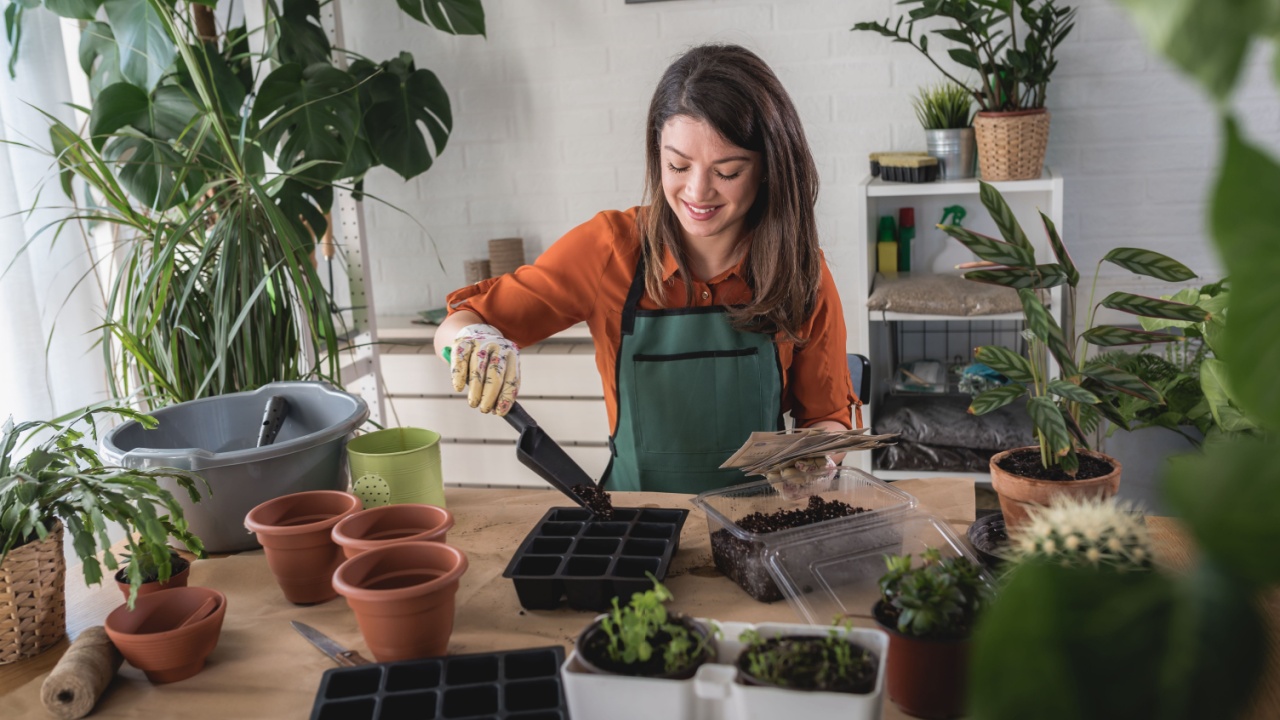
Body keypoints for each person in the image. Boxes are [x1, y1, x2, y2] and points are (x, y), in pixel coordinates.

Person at [435, 43, 861, 493]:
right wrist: (470, 339)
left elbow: (827, 420)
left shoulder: (798, 271)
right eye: (677, 165)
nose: (698, 192)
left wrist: (817, 459)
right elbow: (462, 322)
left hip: (755, 522)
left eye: (729, 172)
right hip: (636, 521)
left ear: (769, 168)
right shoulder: (609, 249)